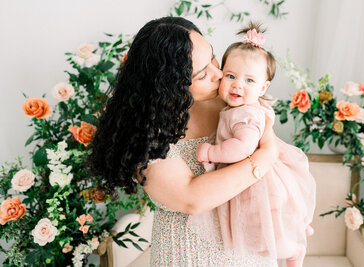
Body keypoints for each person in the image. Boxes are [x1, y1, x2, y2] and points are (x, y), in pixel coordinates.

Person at [88, 17, 280, 266]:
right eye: (202, 74)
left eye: (212, 58)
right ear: (170, 85)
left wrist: (267, 146)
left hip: (246, 245)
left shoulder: (227, 96)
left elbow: (262, 124)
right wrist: (265, 157)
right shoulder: (145, 133)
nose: (219, 73)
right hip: (188, 255)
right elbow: (192, 198)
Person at [195, 23, 316, 267]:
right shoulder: (241, 107)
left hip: (260, 184)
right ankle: (297, 226)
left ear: (263, 87)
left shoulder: (245, 115)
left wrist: (212, 151)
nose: (237, 85)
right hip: (261, 179)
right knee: (266, 222)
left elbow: (243, 147)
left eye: (249, 80)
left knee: (259, 231)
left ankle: (293, 250)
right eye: (230, 76)